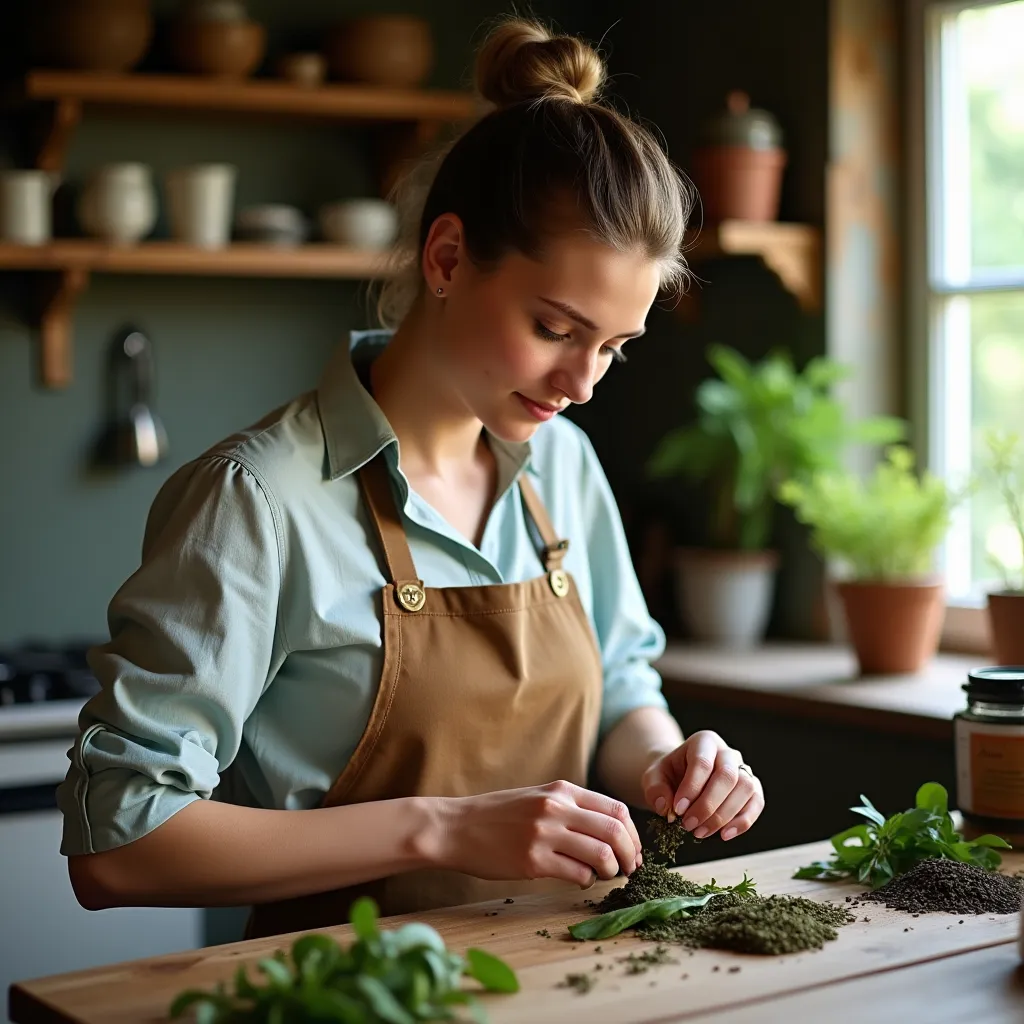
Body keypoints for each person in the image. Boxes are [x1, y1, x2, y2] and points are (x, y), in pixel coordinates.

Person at [59, 18, 764, 939]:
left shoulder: (564, 466)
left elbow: (624, 687)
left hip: (564, 985)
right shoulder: (257, 501)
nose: (582, 383)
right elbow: (116, 847)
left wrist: (670, 762)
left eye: (614, 348)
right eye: (555, 329)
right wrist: (440, 828)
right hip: (348, 993)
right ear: (445, 259)